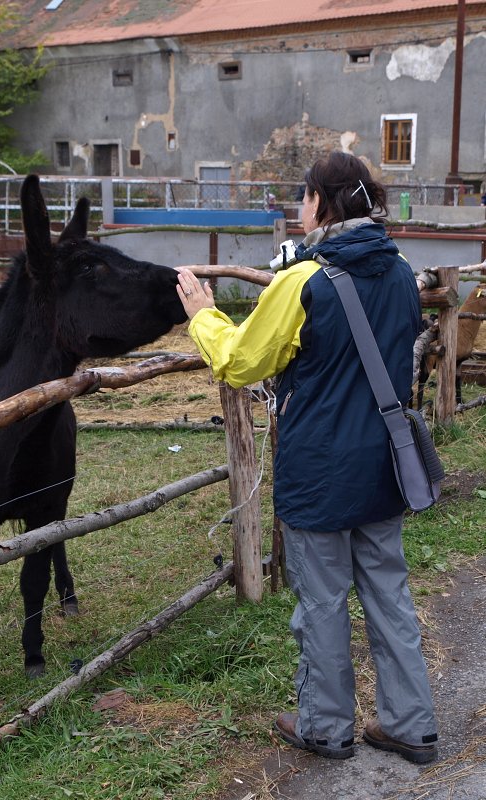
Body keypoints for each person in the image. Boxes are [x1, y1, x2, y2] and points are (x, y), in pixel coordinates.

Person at [176, 151, 438, 764]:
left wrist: (202, 315)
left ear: (322, 202)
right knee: (389, 595)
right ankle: (412, 725)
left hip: (320, 470)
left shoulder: (305, 282)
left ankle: (326, 726)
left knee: (322, 602)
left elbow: (242, 362)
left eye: (302, 196)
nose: (298, 209)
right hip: (386, 465)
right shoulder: (401, 271)